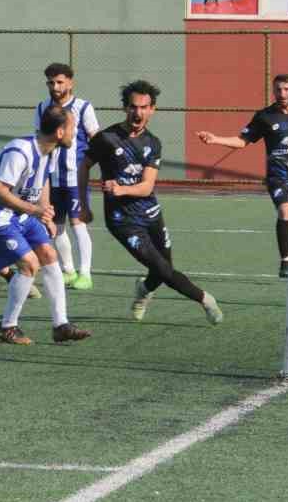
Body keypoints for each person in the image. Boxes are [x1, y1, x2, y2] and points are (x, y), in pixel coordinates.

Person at [84, 81, 223, 325]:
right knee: (163, 269)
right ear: (125, 108)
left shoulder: (153, 143)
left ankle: (143, 290)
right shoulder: (106, 138)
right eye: (133, 107)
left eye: (143, 107)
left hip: (150, 213)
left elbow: (147, 186)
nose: (138, 113)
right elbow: (82, 166)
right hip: (122, 220)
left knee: (163, 268)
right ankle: (206, 300)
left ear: (152, 110)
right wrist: (82, 204)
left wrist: (120, 188)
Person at [196, 72, 288, 283]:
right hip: (279, 177)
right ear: (273, 91)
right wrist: (214, 139)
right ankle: (286, 260)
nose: (282, 93)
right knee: (286, 210)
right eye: (278, 90)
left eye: (287, 89)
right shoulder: (265, 116)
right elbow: (241, 141)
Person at [0, 104, 91, 345]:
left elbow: (43, 182)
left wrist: (45, 215)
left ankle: (61, 325)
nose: (75, 133)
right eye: (72, 128)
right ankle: (7, 327)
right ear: (60, 132)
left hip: (22, 214)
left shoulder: (50, 150)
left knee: (49, 255)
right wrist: (35, 210)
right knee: (30, 264)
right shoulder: (20, 152)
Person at [36, 63, 100, 290]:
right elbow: (40, 139)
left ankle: (86, 274)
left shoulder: (83, 108)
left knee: (78, 223)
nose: (55, 86)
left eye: (60, 82)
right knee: (56, 225)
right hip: (51, 179)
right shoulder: (43, 107)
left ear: (70, 83)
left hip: (76, 179)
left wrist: (90, 166)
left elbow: (96, 140)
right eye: (51, 82)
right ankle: (69, 271)